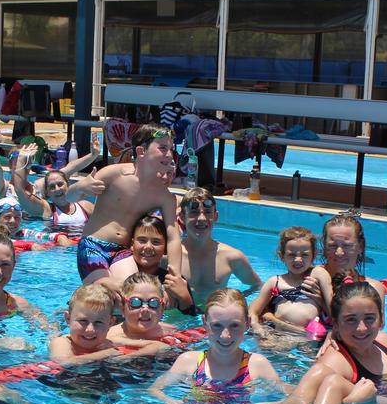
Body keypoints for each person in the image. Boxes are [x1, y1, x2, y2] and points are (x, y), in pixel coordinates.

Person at [237, 281, 387, 404]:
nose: (361, 328)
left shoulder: (385, 342)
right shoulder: (335, 361)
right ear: (336, 324)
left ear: (381, 319)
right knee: (331, 381)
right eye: (351, 320)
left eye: (370, 318)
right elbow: (309, 393)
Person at [148, 288, 289, 404]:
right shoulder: (188, 361)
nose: (225, 335)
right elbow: (154, 389)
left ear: (247, 323)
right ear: (205, 323)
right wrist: (170, 401)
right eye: (217, 325)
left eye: (234, 325)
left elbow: (296, 395)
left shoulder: (257, 364)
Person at [74, 124, 182, 282]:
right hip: (92, 245)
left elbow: (173, 236)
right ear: (141, 151)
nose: (169, 154)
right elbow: (68, 197)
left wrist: (175, 275)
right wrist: (80, 187)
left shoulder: (163, 196)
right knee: (106, 291)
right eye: (163, 148)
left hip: (123, 252)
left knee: (131, 292)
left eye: (171, 148)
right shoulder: (113, 174)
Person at [176, 188, 261, 307]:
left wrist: (233, 302)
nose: (201, 218)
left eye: (207, 212)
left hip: (215, 320)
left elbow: (258, 286)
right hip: (177, 318)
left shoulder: (232, 257)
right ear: (181, 217)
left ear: (215, 216)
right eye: (194, 212)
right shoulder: (172, 255)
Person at [249, 226, 333, 342]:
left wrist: (320, 301)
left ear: (314, 255)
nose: (298, 259)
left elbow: (335, 313)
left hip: (307, 338)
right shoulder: (275, 281)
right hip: (277, 333)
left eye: (304, 255)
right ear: (281, 256)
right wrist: (256, 325)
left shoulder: (317, 274)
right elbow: (253, 311)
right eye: (291, 255)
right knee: (267, 345)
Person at [102, 215, 195, 314]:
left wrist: (185, 297)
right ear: (132, 245)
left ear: (166, 249)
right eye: (142, 240)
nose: (148, 247)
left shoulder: (173, 282)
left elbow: (192, 318)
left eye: (156, 242)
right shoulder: (116, 275)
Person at [309, 212, 384, 299]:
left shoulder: (374, 289)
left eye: (347, 245)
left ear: (360, 247)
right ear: (325, 247)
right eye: (332, 246)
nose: (339, 252)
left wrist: (321, 301)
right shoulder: (310, 280)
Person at [105, 273, 179, 349]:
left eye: (153, 302)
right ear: (123, 309)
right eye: (135, 302)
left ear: (162, 309)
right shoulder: (106, 337)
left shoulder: (172, 332)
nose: (145, 309)